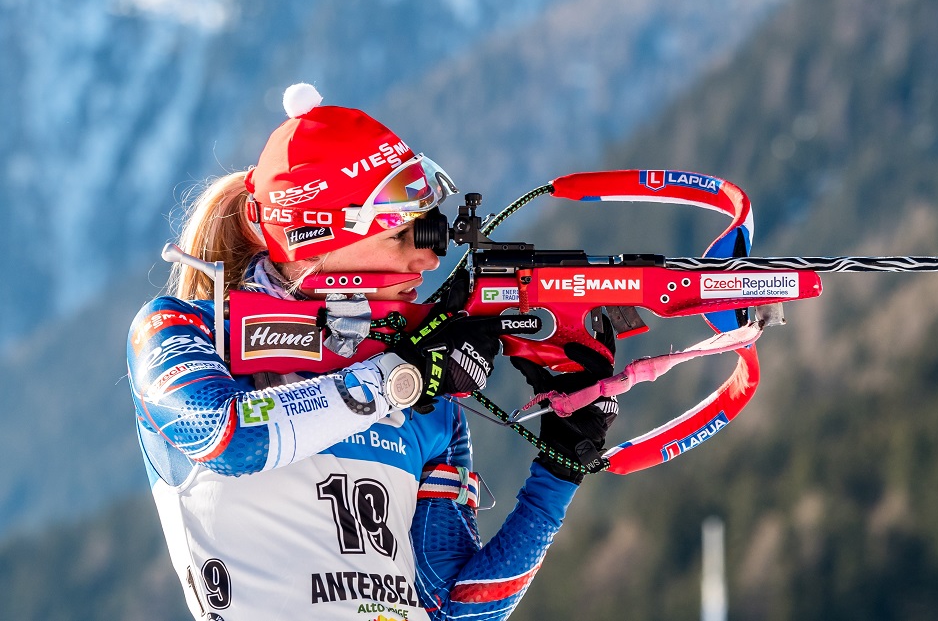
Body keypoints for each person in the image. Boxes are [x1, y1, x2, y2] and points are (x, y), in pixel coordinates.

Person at [126, 84, 618, 620]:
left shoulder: (427, 396)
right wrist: (399, 379)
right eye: (402, 232)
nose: (427, 261)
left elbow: (456, 609)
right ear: (314, 231)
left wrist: (561, 467)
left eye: (429, 233)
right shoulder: (181, 330)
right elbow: (228, 436)